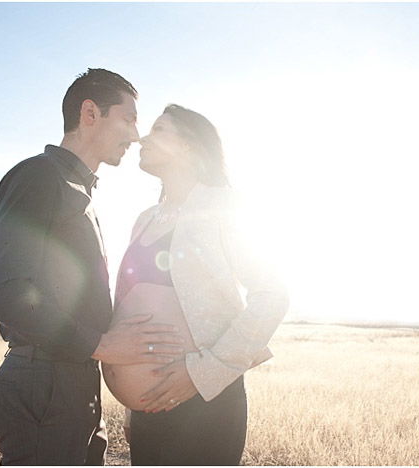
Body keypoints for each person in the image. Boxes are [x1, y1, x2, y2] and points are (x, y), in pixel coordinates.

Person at [0, 69, 186, 465]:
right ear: (90, 113)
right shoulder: (39, 177)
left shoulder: (79, 191)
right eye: (128, 118)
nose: (136, 134)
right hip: (44, 383)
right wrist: (100, 345)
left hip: (73, 383)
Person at [102, 104, 289, 465]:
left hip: (204, 407)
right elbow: (131, 306)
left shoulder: (224, 206)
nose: (142, 137)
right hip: (148, 413)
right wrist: (131, 404)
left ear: (189, 146)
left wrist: (202, 374)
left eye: (158, 131)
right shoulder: (145, 218)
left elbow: (272, 294)